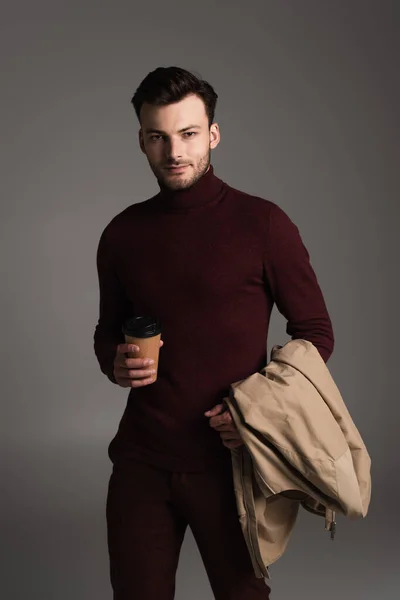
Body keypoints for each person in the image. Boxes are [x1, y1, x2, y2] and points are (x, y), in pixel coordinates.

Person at [94, 66, 334, 599]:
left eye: (188, 134)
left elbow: (315, 332)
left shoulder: (264, 224)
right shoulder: (122, 233)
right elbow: (107, 330)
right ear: (141, 140)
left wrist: (259, 409)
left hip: (233, 463)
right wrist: (113, 359)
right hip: (141, 462)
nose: (174, 150)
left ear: (213, 134)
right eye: (158, 136)